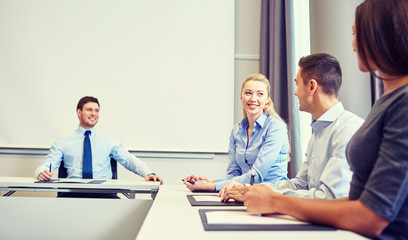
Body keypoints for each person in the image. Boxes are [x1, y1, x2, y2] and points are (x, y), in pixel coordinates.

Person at [229, 0, 408, 238]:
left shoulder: (402, 104)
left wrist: (276, 202)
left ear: (380, 34)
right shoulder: (389, 100)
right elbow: (355, 201)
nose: (353, 43)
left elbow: (372, 216)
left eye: (356, 33)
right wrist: (262, 194)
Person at [221, 53, 364, 202]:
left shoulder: (347, 130)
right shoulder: (319, 131)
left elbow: (330, 198)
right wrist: (252, 190)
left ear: (311, 87)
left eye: (297, 84)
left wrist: (268, 197)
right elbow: (300, 184)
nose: (295, 92)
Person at [35, 96, 163, 198]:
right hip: (73, 193)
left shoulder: (108, 140)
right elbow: (49, 163)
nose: (93, 114)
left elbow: (128, 159)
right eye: (89, 110)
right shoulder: (63, 141)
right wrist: (42, 172)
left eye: (97, 110)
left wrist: (148, 173)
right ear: (79, 112)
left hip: (104, 193)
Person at [183, 73, 289, 192]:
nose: (253, 99)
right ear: (241, 96)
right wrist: (208, 182)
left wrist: (211, 186)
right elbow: (233, 175)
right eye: (248, 93)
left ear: (267, 99)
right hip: (244, 193)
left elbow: (256, 176)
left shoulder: (276, 127)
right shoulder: (236, 131)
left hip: (273, 195)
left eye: (260, 94)